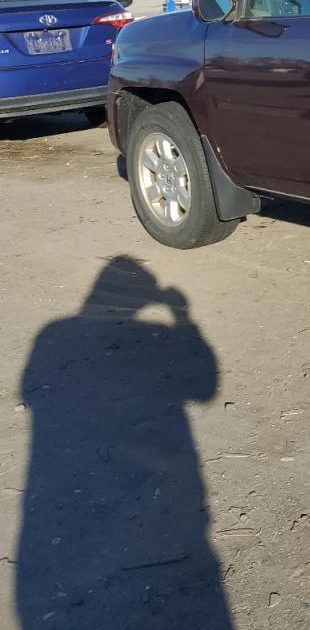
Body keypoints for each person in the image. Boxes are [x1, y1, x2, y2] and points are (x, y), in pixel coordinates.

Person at [15, 257, 232, 629]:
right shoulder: (155, 332)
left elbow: (31, 394)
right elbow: (206, 388)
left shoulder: (52, 333)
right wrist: (182, 317)